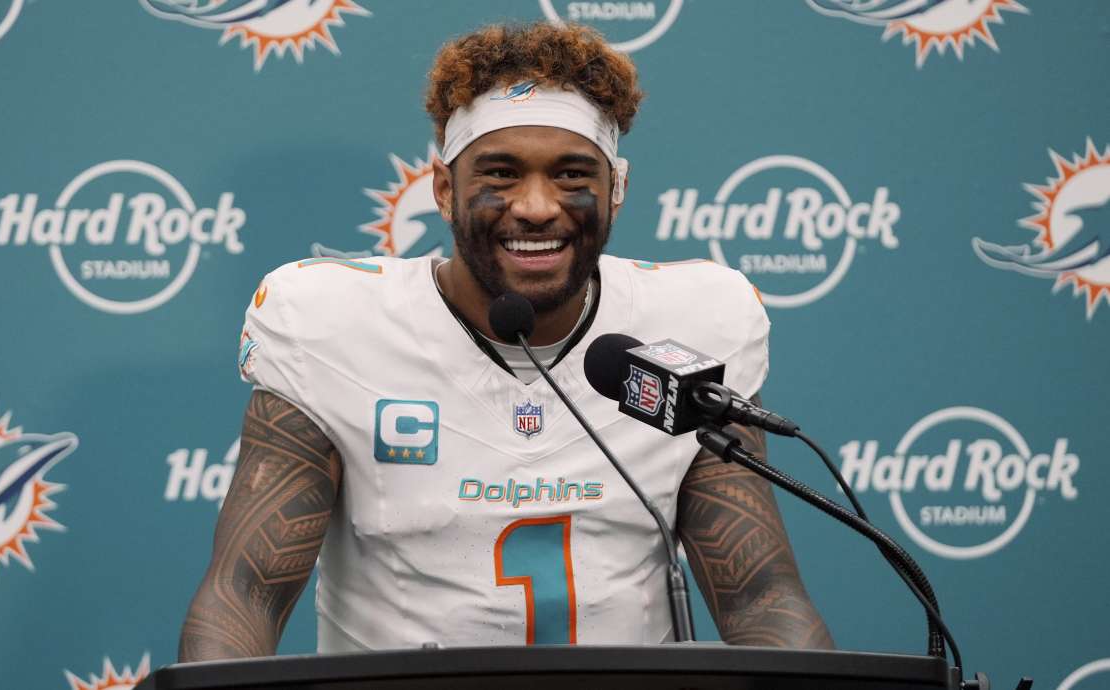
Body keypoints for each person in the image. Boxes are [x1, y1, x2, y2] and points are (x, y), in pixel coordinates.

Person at [178, 21, 833, 660]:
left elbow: (757, 594)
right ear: (443, 188)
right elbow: (246, 593)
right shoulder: (330, 323)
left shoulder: (690, 324)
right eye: (500, 173)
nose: (537, 206)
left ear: (618, 189)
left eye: (574, 175)